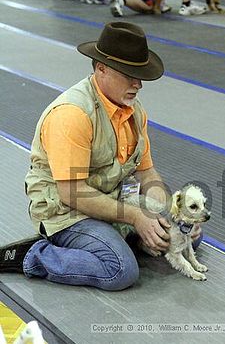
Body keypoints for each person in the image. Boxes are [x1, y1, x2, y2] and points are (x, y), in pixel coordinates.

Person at [0, 22, 202, 290]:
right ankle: (34, 256)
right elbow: (71, 193)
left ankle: (122, 239)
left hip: (109, 198)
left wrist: (176, 215)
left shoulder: (134, 110)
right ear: (100, 69)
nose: (138, 84)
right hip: (66, 211)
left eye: (140, 75)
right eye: (129, 74)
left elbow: (146, 173)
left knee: (187, 235)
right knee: (120, 271)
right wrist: (136, 217)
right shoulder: (73, 115)